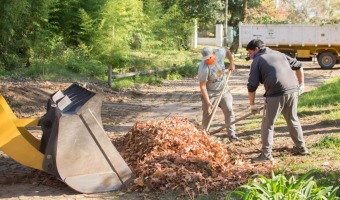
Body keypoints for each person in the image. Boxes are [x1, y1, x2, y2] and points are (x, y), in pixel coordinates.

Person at [246, 39, 308, 163]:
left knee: (267, 124)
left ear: (256, 49)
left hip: (275, 94)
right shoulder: (279, 54)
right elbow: (299, 65)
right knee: (293, 119)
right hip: (292, 91)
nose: (250, 55)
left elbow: (252, 85)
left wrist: (252, 105)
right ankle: (301, 148)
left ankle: (266, 154)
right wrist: (301, 84)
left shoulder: (258, 60)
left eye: (250, 52)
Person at [198, 46, 240, 141]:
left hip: (224, 90)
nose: (208, 60)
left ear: (214, 54)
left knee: (229, 111)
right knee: (207, 115)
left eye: (210, 58)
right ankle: (204, 136)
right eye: (206, 59)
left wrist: (232, 63)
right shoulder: (203, 69)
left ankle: (232, 135)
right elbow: (203, 87)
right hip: (210, 93)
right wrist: (208, 102)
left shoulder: (220, 53)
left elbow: (227, 49)